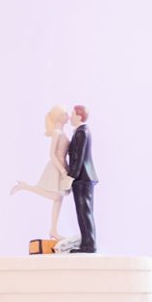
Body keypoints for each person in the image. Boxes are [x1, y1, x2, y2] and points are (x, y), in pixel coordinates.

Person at [10, 106, 72, 239]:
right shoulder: (57, 132)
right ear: (59, 117)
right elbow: (52, 154)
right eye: (65, 114)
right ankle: (25, 186)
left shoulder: (62, 132)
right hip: (56, 167)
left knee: (59, 199)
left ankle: (54, 230)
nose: (68, 116)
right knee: (56, 197)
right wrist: (62, 170)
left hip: (62, 166)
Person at [66, 104, 97, 253]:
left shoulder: (81, 132)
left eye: (72, 114)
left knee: (84, 211)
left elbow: (77, 158)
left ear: (79, 116)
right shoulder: (81, 132)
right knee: (84, 211)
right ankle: (87, 243)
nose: (70, 117)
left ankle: (88, 245)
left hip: (82, 178)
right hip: (83, 177)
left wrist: (70, 177)